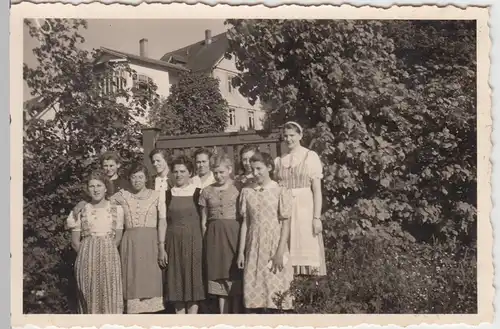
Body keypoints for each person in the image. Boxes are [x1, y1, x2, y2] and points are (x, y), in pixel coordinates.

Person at [237, 151, 294, 312]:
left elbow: (285, 223)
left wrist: (280, 252)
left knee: (276, 295)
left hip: (274, 246)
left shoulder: (280, 191)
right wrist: (241, 252)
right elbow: (246, 224)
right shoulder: (247, 192)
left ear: (269, 167)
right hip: (254, 247)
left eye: (259, 169)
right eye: (253, 169)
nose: (255, 173)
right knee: (255, 296)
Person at [66, 170, 124, 314]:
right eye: (92, 186)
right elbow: (75, 242)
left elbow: (117, 237)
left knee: (110, 296)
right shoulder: (81, 210)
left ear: (106, 188)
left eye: (99, 185)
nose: (96, 189)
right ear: (87, 189)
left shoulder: (117, 209)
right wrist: (88, 254)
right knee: (89, 297)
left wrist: (105, 251)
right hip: (87, 260)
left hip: (109, 259)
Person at [274, 121, 326, 276]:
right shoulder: (279, 161)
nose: (288, 139)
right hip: (286, 208)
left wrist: (316, 217)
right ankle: (290, 286)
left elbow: (317, 190)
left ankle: (312, 288)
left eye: (292, 135)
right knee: (287, 242)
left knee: (306, 242)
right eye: (285, 136)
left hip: (305, 208)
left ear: (300, 135)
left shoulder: (310, 156)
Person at [113, 163, 165, 314]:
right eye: (134, 177)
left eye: (140, 177)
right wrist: (82, 203)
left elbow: (162, 220)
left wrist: (161, 245)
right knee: (132, 282)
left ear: (146, 178)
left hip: (150, 243)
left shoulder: (156, 195)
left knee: (151, 283)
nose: (137, 180)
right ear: (129, 178)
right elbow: (102, 201)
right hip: (130, 243)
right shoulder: (122, 195)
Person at [157, 155, 206, 314]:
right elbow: (163, 222)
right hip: (174, 244)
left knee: (193, 282)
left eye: (182, 171)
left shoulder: (199, 193)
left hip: (194, 243)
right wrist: (161, 247)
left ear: (190, 173)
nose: (178, 175)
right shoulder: (166, 195)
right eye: (176, 171)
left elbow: (204, 221)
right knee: (176, 283)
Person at [199, 154, 242, 314]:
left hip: (233, 235)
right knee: (219, 275)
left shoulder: (239, 188)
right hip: (214, 238)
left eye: (222, 172)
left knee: (234, 274)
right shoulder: (207, 191)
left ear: (229, 170)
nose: (218, 176)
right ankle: (223, 317)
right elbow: (203, 221)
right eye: (215, 172)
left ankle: (236, 315)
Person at [71, 151, 130, 217]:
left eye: (111, 166)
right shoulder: (96, 182)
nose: (108, 169)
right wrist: (82, 203)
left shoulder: (125, 184)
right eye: (105, 166)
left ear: (118, 165)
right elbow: (89, 198)